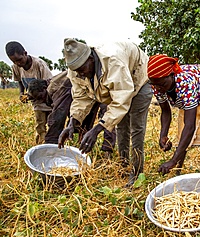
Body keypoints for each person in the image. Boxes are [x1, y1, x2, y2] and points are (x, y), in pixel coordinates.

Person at [58, 38, 152, 186]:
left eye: (83, 70)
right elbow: (80, 98)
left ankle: (137, 171)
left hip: (138, 79)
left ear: (90, 59)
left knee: (136, 128)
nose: (81, 75)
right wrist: (72, 122)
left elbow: (121, 101)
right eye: (78, 72)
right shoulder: (76, 70)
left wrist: (96, 130)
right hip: (120, 86)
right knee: (121, 125)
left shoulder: (113, 62)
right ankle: (122, 164)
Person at [147, 54, 200, 175]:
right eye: (154, 84)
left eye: (161, 84)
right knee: (181, 132)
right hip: (192, 89)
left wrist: (172, 160)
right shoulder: (158, 84)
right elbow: (166, 111)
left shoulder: (186, 85)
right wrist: (163, 135)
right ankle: (178, 171)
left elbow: (190, 126)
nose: (157, 88)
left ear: (172, 75)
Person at [27, 72, 116, 157]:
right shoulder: (49, 86)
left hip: (100, 84)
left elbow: (58, 116)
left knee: (107, 116)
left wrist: (50, 145)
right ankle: (83, 148)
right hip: (85, 90)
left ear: (44, 88)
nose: (41, 100)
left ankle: (107, 151)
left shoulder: (56, 87)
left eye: (40, 97)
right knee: (83, 118)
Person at [5, 41, 52, 144]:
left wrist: (39, 96)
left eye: (19, 60)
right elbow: (20, 81)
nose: (18, 63)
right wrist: (22, 93)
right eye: (14, 62)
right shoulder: (15, 67)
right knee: (40, 125)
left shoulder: (39, 64)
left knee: (52, 123)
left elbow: (50, 84)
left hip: (48, 101)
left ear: (25, 53)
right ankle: (41, 145)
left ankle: (53, 144)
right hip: (36, 102)